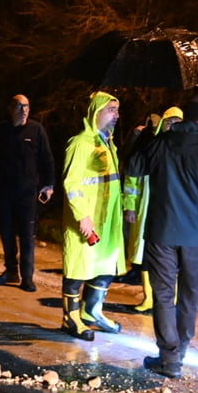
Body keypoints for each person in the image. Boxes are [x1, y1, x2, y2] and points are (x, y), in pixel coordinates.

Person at [125, 94, 198, 379]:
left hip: (162, 232)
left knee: (162, 296)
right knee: (190, 297)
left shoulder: (161, 143)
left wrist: (146, 135)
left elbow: (134, 166)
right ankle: (180, 351)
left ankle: (169, 357)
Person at [59, 91, 126, 340]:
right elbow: (72, 183)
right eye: (110, 110)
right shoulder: (81, 143)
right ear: (95, 113)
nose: (115, 116)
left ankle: (92, 311)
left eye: (117, 111)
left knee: (106, 265)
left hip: (108, 220)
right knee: (78, 269)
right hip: (86, 220)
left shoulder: (107, 144)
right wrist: (82, 216)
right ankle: (71, 318)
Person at [0, 94, 56, 292]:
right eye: (19, 106)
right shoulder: (0, 131)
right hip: (4, 191)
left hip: (28, 193)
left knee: (27, 235)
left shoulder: (36, 130)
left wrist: (49, 184)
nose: (24, 110)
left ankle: (27, 277)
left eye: (27, 106)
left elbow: (47, 159)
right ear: (10, 108)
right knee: (7, 232)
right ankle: (11, 271)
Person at [122, 106, 182, 313]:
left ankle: (169, 299)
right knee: (146, 253)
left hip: (173, 209)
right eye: (169, 122)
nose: (173, 127)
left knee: (170, 254)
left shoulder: (186, 150)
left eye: (177, 123)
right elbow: (133, 176)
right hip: (147, 205)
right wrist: (130, 205)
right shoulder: (149, 145)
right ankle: (149, 298)